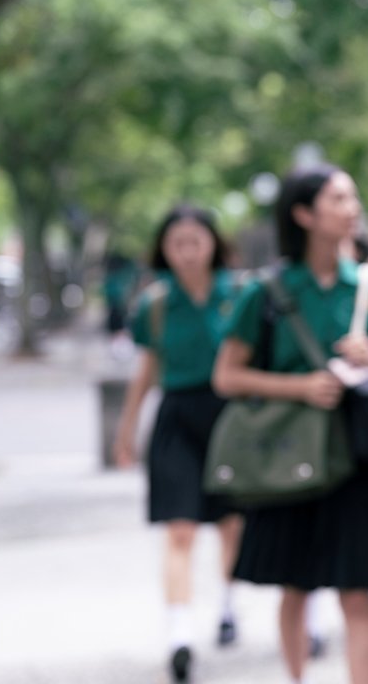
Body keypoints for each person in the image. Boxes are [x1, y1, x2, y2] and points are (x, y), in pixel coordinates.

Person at [212, 164, 368, 684]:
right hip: (288, 456)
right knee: (294, 588)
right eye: (339, 198)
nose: (354, 208)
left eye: (353, 197)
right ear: (304, 214)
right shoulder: (268, 292)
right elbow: (227, 376)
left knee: (359, 592)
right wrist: (299, 387)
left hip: (357, 458)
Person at [111, 205, 244, 683]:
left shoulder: (239, 295)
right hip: (176, 418)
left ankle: (229, 604)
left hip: (230, 417)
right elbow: (145, 370)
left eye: (195, 241)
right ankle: (180, 635)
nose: (187, 251)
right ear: (164, 249)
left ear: (213, 242)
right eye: (176, 243)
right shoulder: (156, 303)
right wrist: (126, 430)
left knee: (231, 523)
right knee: (180, 528)